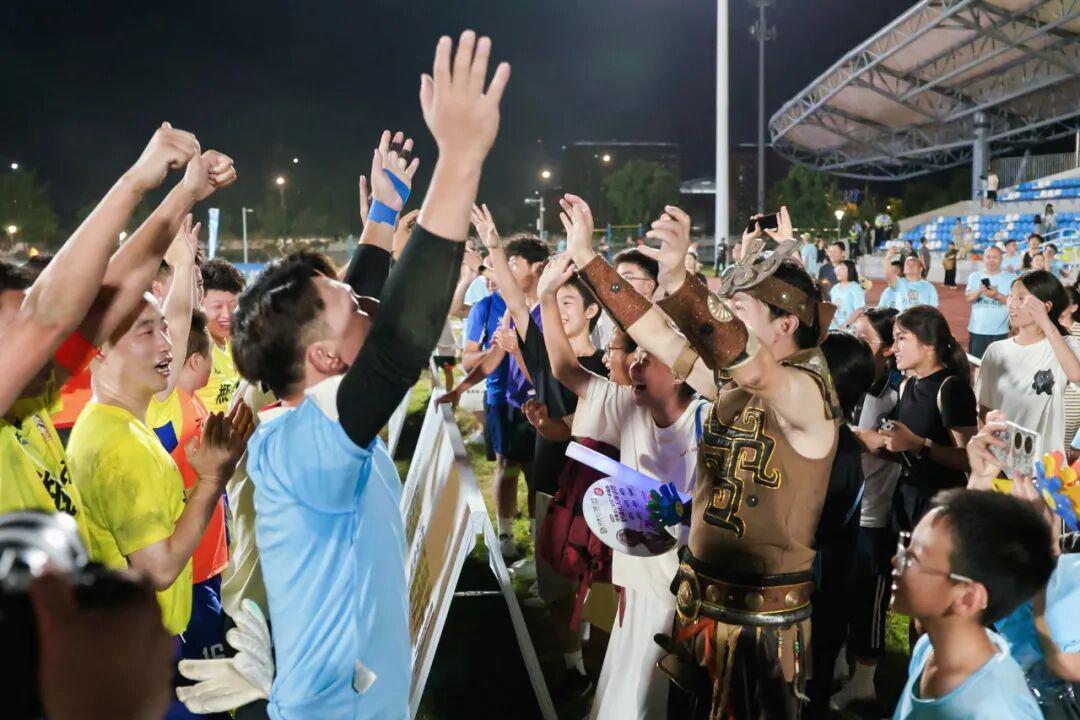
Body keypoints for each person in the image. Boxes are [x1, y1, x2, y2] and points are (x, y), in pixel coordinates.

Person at [229, 34, 511, 718]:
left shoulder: (310, 417)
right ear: (325, 361)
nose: (369, 305)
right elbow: (395, 348)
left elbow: (354, 307)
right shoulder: (305, 450)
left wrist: (383, 218)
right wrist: (459, 160)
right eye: (353, 309)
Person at [568, 201, 840, 719]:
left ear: (785, 325)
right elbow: (658, 335)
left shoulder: (808, 393)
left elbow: (756, 370)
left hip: (759, 629)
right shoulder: (731, 384)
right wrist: (588, 258)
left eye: (738, 312)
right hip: (701, 608)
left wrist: (681, 282)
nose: (724, 321)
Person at [1, 128, 235, 533]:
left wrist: (184, 195)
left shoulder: (27, 404)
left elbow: (108, 300)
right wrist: (134, 182)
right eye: (14, 322)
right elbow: (45, 318)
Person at [891, 489, 1052, 719]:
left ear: (968, 598)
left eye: (913, 557)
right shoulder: (929, 650)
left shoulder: (996, 711)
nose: (895, 560)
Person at [968, 415, 1080, 716]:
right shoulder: (1069, 554)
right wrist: (980, 482)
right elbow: (958, 582)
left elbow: (1066, 664)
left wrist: (1043, 548)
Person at [830, 307, 903, 711]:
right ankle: (841, 661)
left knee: (869, 599)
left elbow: (894, 446)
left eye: (864, 338)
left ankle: (865, 682)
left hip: (874, 511)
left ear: (888, 349)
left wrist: (851, 436)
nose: (856, 343)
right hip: (845, 507)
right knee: (839, 587)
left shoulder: (894, 393)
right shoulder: (848, 381)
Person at [806, 331, 875, 720]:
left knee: (804, 689)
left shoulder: (834, 447)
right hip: (823, 591)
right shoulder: (836, 439)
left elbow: (812, 525)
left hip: (816, 595)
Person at [869, 306, 978, 533]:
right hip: (905, 500)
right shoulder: (906, 385)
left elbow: (970, 459)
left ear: (929, 344)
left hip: (941, 507)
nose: (893, 348)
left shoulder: (951, 389)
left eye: (901, 338)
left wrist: (920, 445)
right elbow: (904, 450)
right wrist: (873, 443)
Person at [976, 270, 1080, 455]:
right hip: (1003, 461)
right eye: (1011, 296)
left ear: (1046, 306)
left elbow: (1076, 375)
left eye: (1021, 298)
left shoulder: (1065, 346)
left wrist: (1045, 322)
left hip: (1046, 465)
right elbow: (985, 410)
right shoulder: (996, 351)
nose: (1011, 303)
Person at [197, 258, 245, 414]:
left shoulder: (236, 342)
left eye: (233, 306)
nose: (227, 315)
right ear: (199, 304)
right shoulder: (194, 348)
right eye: (217, 307)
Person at [591, 248, 659, 351]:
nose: (618, 285)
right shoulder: (605, 323)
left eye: (627, 278)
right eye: (617, 278)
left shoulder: (664, 329)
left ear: (648, 286)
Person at [965, 245, 1016, 359]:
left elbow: (1014, 302)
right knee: (977, 363)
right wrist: (980, 290)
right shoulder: (975, 276)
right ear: (983, 258)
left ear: (1001, 259)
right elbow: (968, 298)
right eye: (988, 257)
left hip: (999, 331)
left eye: (995, 257)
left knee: (996, 364)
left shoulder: (1011, 278)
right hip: (977, 329)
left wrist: (997, 295)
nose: (991, 260)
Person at [828, 261, 865, 330]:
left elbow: (859, 309)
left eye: (842, 269)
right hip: (834, 329)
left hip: (850, 330)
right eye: (837, 269)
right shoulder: (834, 288)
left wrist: (845, 325)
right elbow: (829, 308)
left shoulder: (856, 287)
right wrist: (836, 327)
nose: (838, 271)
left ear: (850, 270)